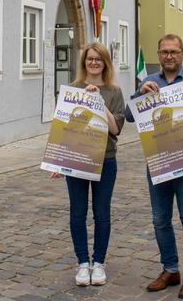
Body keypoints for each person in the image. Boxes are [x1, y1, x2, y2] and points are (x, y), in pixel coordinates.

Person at [127, 34, 183, 299]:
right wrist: (139, 94)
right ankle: (170, 269)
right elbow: (130, 116)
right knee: (160, 220)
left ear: (182, 54)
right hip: (160, 163)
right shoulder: (149, 82)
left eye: (174, 52)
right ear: (159, 53)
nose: (169, 56)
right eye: (164, 52)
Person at [51, 42, 125, 287]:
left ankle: (99, 263)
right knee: (77, 213)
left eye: (99, 59)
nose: (94, 63)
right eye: (90, 59)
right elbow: (65, 127)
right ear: (84, 62)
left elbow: (115, 129)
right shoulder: (72, 89)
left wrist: (97, 101)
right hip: (77, 161)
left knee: (102, 214)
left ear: (106, 62)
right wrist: (58, 161)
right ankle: (83, 263)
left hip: (105, 160)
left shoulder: (114, 91)